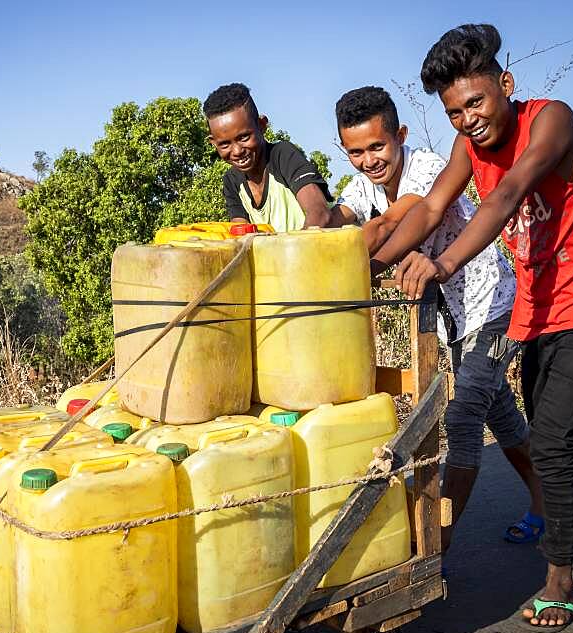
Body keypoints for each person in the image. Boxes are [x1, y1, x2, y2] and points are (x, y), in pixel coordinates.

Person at [374, 24, 573, 631]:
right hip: (536, 310)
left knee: (554, 438)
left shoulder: (551, 119)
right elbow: (431, 208)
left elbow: (507, 193)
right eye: (454, 112)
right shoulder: (467, 147)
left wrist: (443, 261)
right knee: (548, 440)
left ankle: (559, 578)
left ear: (505, 85)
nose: (467, 121)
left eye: (476, 103)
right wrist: (364, 268)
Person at [332, 85, 545, 549]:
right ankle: (546, 499)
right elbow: (345, 220)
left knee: (465, 414)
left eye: (377, 147)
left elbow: (394, 222)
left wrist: (364, 269)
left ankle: (436, 543)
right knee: (501, 413)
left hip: (493, 304)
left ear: (400, 135)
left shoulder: (427, 168)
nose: (369, 160)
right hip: (453, 316)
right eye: (355, 152)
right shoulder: (364, 184)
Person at [204, 82, 333, 232]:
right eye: (225, 144)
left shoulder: (283, 156)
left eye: (244, 137)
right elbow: (241, 232)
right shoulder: (231, 180)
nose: (237, 151)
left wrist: (295, 249)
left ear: (262, 125)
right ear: (213, 143)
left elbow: (320, 213)